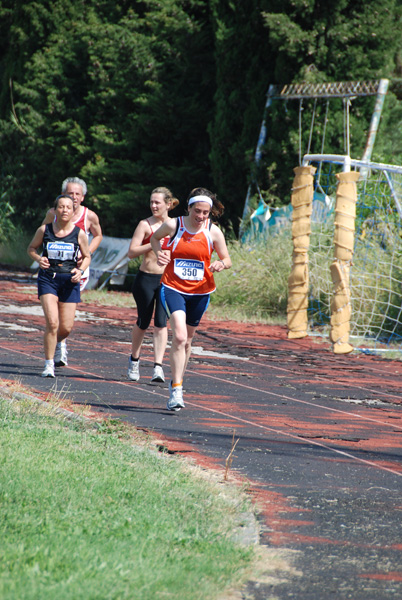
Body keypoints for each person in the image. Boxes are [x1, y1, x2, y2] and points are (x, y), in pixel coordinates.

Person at [150, 187, 232, 411]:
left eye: (206, 212)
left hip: (201, 291)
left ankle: (178, 381)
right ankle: (176, 390)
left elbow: (227, 259)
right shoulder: (174, 225)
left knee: (187, 341)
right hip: (174, 287)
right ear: (189, 208)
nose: (201, 216)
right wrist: (160, 253)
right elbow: (154, 239)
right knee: (179, 335)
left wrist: (220, 264)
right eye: (197, 211)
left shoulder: (213, 232)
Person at [27, 194, 91, 378]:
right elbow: (31, 248)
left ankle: (54, 343)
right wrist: (39, 259)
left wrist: (81, 270)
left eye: (68, 207)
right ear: (55, 210)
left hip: (70, 282)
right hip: (48, 279)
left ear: (73, 211)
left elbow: (87, 256)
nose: (64, 210)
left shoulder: (79, 233)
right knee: (52, 323)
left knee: (66, 328)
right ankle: (48, 365)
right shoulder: (44, 230)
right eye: (61, 207)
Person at [42, 177, 102, 367]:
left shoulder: (89, 216)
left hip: (77, 269)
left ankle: (59, 337)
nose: (73, 198)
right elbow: (43, 234)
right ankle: (57, 344)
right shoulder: (53, 214)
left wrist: (87, 253)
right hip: (53, 271)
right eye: (69, 194)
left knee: (65, 314)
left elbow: (99, 235)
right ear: (63, 195)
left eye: (77, 194)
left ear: (82, 197)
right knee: (54, 314)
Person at [127, 187, 179, 383]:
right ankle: (134, 359)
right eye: (151, 202)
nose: (153, 206)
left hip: (167, 280)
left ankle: (158, 366)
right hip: (146, 279)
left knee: (161, 322)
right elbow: (131, 252)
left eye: (157, 202)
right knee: (143, 320)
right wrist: (153, 241)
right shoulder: (145, 225)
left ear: (168, 204)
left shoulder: (175, 226)